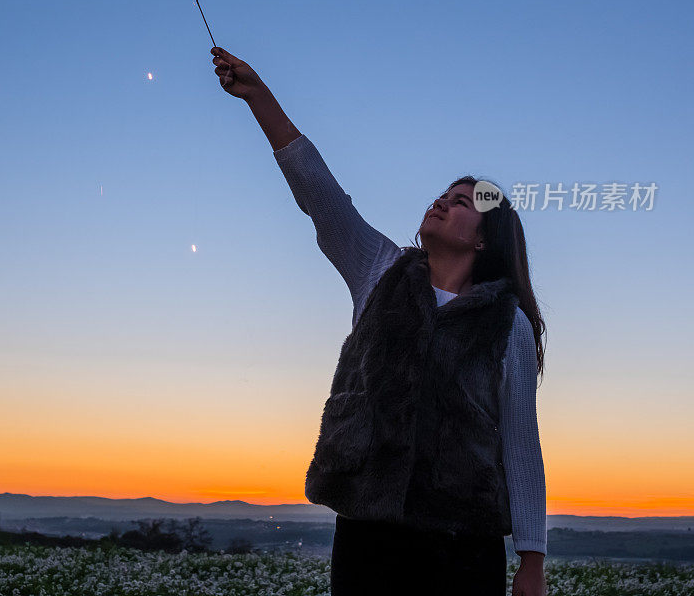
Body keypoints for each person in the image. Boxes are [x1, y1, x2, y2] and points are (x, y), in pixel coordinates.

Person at [211, 47, 548, 596]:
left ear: (484, 239)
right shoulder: (378, 269)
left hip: (462, 543)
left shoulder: (505, 325)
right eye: (444, 193)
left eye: (461, 202)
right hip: (367, 534)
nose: (441, 201)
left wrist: (531, 561)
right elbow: (320, 196)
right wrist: (260, 97)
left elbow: (520, 441)